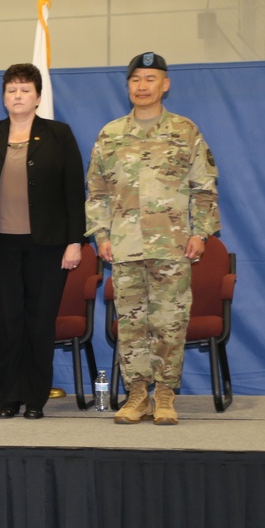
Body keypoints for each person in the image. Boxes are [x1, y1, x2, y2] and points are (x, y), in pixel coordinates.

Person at [85, 52, 221, 425]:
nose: (142, 87)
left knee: (169, 321)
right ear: (127, 85)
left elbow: (204, 188)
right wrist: (100, 235)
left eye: (150, 79)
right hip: (124, 246)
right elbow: (96, 191)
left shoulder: (185, 131)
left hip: (172, 245)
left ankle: (164, 395)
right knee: (131, 324)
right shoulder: (110, 134)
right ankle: (136, 396)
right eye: (135, 80)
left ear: (166, 84)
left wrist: (200, 233)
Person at [0, 63, 86, 420]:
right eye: (12, 90)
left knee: (39, 321)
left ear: (38, 97)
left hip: (48, 245)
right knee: (7, 321)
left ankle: (35, 399)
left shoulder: (58, 134)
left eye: (25, 90)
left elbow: (74, 192)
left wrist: (75, 241)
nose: (18, 96)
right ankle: (9, 397)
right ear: (3, 97)